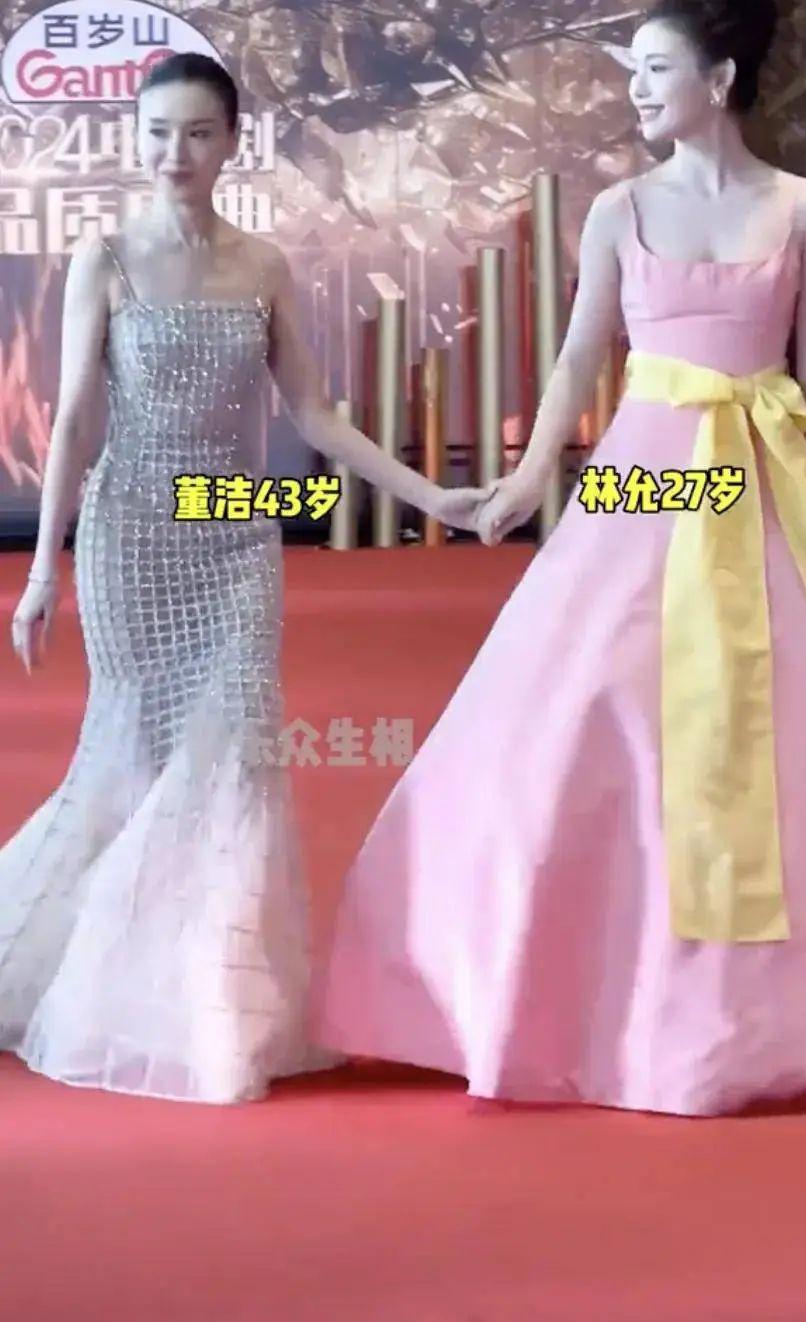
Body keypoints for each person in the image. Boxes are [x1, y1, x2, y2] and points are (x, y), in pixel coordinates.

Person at [312, 0, 806, 1116]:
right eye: (631, 69)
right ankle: (576, 993)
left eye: (655, 68)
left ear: (717, 81)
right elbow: (580, 357)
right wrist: (526, 482)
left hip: (768, 478)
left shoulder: (805, 207)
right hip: (644, 478)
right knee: (602, 699)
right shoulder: (619, 209)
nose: (634, 88)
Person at [0, 53, 489, 1104]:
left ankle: (213, 1010)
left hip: (231, 523)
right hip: (134, 531)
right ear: (136, 140)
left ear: (231, 143)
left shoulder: (263, 265)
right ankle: (90, 976)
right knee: (133, 760)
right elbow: (75, 419)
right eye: (157, 132)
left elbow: (314, 415)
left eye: (197, 133)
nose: (174, 153)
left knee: (237, 755)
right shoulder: (105, 258)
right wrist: (42, 572)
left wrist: (430, 495)